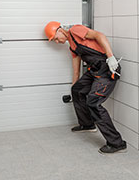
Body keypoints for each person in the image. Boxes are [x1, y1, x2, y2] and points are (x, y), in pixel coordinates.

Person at [44, 21, 127, 154]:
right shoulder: (72, 47)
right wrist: (74, 88)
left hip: (107, 69)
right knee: (77, 90)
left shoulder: (75, 30)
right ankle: (87, 124)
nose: (57, 42)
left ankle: (116, 143)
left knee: (93, 103)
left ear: (59, 30)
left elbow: (100, 36)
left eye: (55, 39)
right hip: (94, 71)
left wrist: (111, 58)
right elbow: (76, 71)